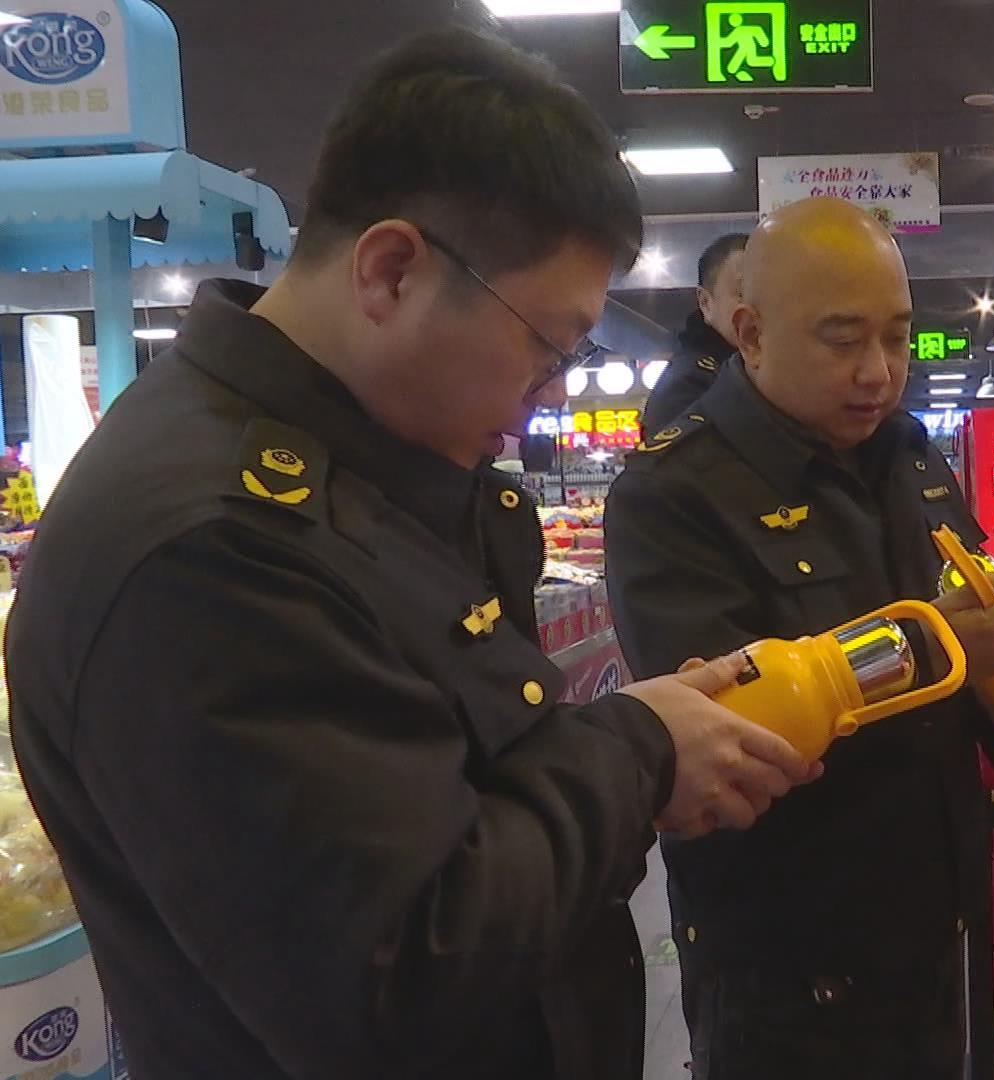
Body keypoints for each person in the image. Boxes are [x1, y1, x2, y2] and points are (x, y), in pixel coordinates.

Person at [5, 30, 815, 1079]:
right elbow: (398, 972)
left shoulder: (373, 471)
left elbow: (452, 791)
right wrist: (636, 754)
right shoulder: (209, 547)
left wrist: (633, 740)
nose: (548, 397)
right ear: (391, 270)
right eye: (547, 347)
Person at [606, 197, 994, 1079]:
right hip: (791, 967)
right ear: (750, 334)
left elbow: (969, 630)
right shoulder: (674, 495)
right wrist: (943, 653)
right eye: (843, 340)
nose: (879, 372)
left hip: (938, 930)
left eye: (898, 338)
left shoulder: (910, 455)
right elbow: (727, 741)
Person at [644, 233, 748, 429]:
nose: (758, 304)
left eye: (767, 292)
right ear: (706, 303)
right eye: (743, 293)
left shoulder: (772, 370)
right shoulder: (687, 389)